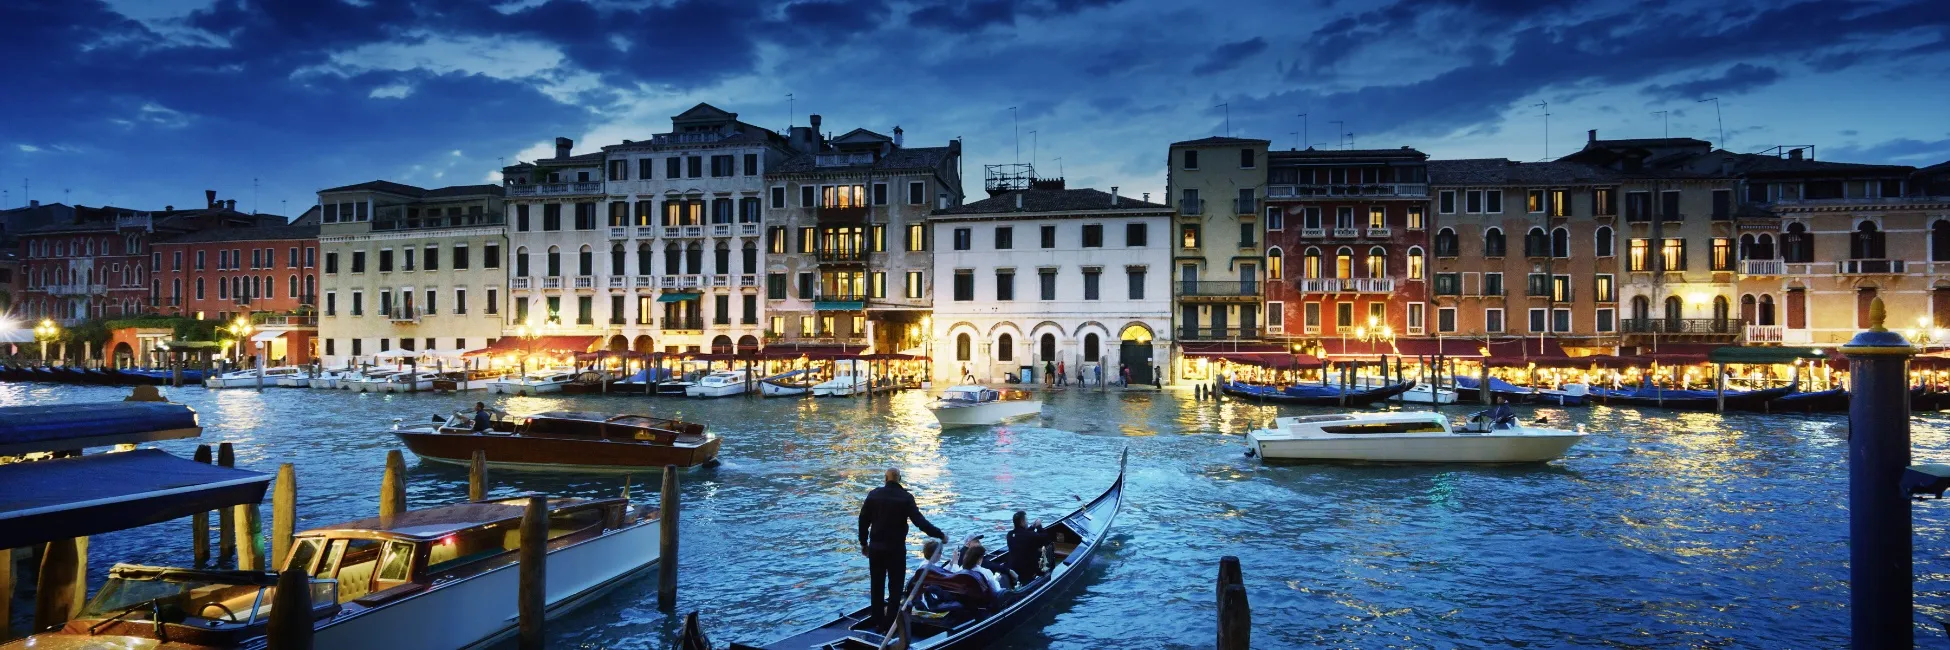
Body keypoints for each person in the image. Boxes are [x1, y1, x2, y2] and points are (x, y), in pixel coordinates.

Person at [859, 468, 946, 625]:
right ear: (899, 479)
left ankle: (877, 621)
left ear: (885, 479)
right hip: (896, 550)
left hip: (876, 549)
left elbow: (863, 521)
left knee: (876, 586)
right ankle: (891, 623)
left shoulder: (873, 495)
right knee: (895, 588)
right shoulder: (906, 498)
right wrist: (940, 534)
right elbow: (920, 523)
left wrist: (864, 543)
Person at [1005, 511, 1053, 582]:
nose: (1027, 522)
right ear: (1022, 522)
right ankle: (1049, 571)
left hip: (1015, 568)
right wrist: (1039, 527)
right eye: (1026, 520)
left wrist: (1032, 527)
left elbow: (1023, 535)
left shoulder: (1009, 535)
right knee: (1049, 547)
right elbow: (1046, 539)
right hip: (1029, 571)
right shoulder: (1030, 535)